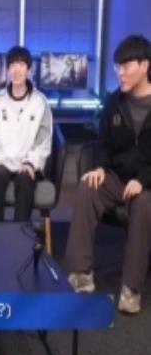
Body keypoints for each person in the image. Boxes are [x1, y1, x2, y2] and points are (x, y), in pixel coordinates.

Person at [65, 34, 151, 314]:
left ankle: (131, 289)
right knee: (87, 188)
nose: (120, 73)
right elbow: (101, 144)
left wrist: (143, 180)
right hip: (116, 177)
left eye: (126, 66)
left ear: (145, 65)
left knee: (144, 204)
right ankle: (81, 274)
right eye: (117, 67)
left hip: (147, 183)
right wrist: (100, 167)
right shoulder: (114, 102)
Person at [0, 46, 53, 221]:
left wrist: (31, 163)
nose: (16, 70)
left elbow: (44, 139)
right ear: (7, 70)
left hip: (28, 163)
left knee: (25, 179)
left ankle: (19, 233)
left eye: (21, 65)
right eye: (12, 65)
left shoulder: (40, 102)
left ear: (29, 70)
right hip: (2, 161)